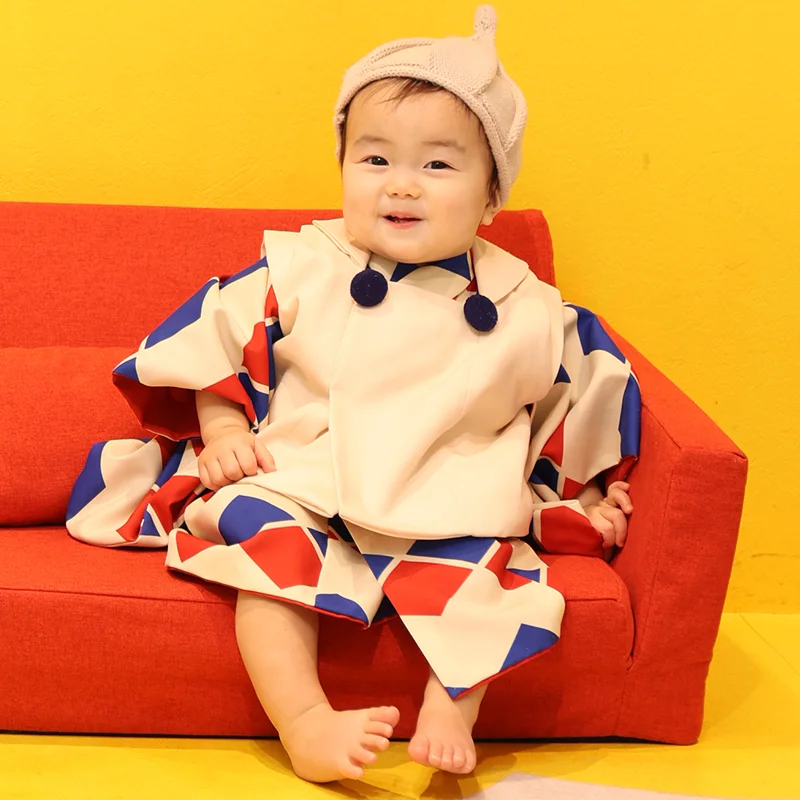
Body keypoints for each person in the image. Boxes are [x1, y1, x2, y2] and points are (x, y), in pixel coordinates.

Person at [67, 5, 640, 785]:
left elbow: (566, 404)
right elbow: (217, 345)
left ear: (490, 198)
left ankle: (451, 704)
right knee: (266, 557)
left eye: (437, 166)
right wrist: (225, 427)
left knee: (493, 587)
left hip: (451, 488)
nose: (401, 183)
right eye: (375, 159)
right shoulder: (306, 264)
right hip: (310, 473)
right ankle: (303, 719)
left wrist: (591, 492)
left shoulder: (525, 304)